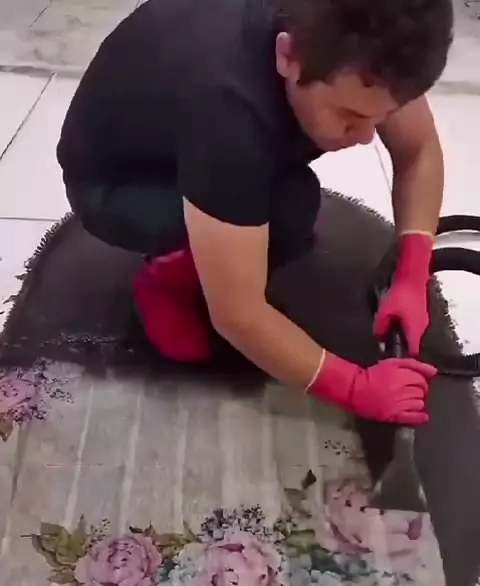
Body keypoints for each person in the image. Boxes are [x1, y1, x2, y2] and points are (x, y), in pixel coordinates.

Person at [57, 0, 453, 425]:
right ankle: (165, 280)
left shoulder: (361, 42)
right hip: (117, 182)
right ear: (287, 55)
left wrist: (412, 273)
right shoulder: (228, 106)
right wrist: (356, 387)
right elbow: (238, 315)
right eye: (350, 115)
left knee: (287, 200)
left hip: (189, 129)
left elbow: (418, 151)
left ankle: (215, 237)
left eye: (383, 116)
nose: (365, 136)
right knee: (285, 212)